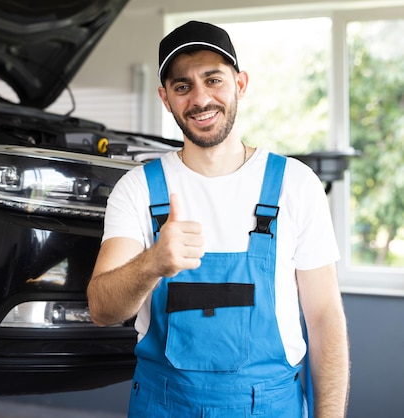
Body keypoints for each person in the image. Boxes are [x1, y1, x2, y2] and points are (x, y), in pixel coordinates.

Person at [87, 21, 349, 418]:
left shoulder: (293, 184)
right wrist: (153, 263)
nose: (200, 98)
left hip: (270, 406)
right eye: (182, 86)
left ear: (240, 83)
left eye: (213, 79)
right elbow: (103, 309)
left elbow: (325, 319)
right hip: (164, 405)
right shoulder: (137, 188)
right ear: (165, 97)